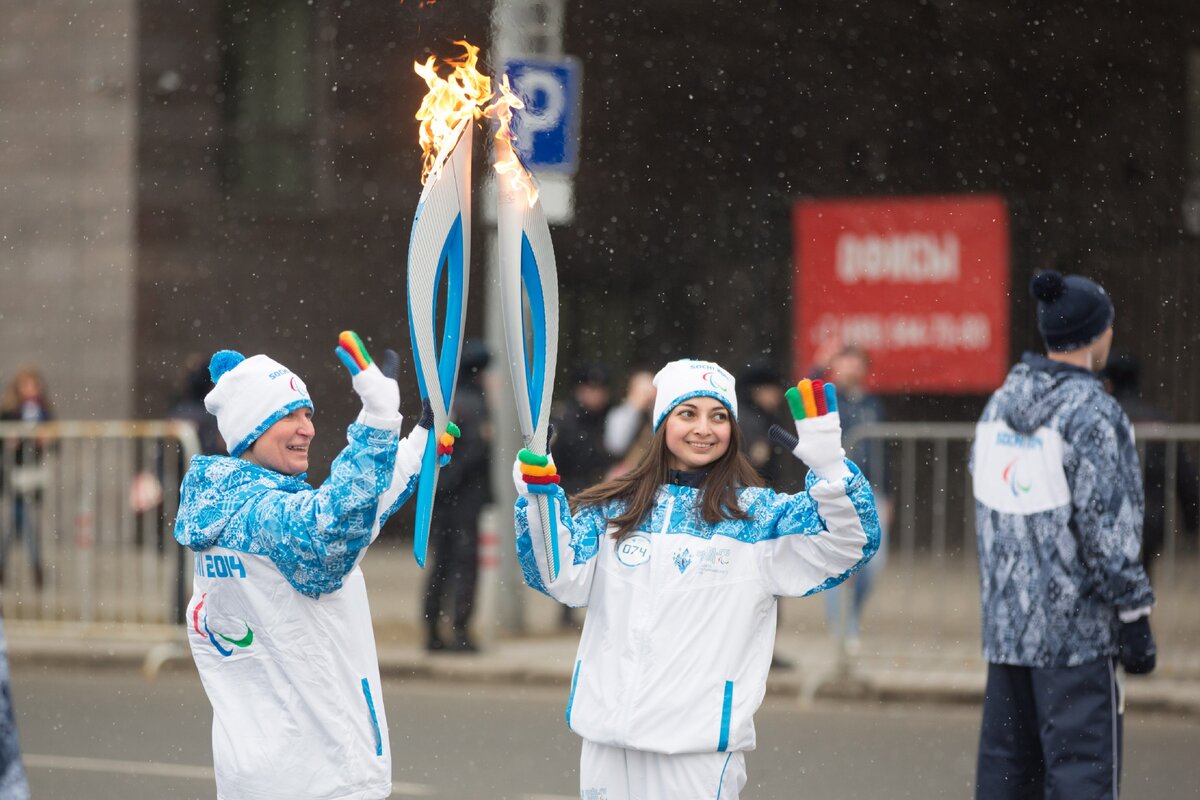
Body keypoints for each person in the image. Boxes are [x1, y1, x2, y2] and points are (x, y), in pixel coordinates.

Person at [512, 358, 880, 799]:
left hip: (694, 750)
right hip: (608, 741)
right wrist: (537, 496)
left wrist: (831, 469)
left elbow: (851, 544)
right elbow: (557, 575)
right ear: (663, 422)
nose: (704, 429)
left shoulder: (757, 516)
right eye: (688, 413)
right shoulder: (616, 510)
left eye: (718, 416)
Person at [175, 332, 448, 800]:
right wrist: (378, 421)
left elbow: (350, 520)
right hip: (315, 776)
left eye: (307, 414)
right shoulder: (262, 518)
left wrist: (410, 450)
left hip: (265, 772)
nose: (308, 428)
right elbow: (328, 536)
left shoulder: (234, 512)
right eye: (288, 416)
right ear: (250, 429)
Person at [971, 271, 1157, 799]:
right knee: (1080, 777)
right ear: (1097, 335)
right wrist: (1134, 615)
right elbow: (1108, 529)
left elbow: (991, 512)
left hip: (1008, 634)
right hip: (1077, 642)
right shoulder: (1094, 414)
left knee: (1008, 780)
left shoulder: (997, 407)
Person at [811, 344, 891, 653]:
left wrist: (889, 494)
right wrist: (818, 367)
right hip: (835, 492)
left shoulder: (874, 404)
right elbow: (802, 398)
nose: (850, 370)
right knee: (837, 562)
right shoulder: (829, 401)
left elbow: (884, 452)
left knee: (874, 563)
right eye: (844, 363)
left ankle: (851, 615)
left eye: (856, 364)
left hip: (872, 492)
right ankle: (842, 629)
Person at [1103, 349, 1199, 581]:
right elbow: (1186, 476)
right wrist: (1192, 520)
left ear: (1109, 382)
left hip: (1110, 520)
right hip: (1151, 522)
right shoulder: (1158, 420)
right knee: (1141, 582)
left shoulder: (1103, 418)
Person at [424, 340, 492, 653]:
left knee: (441, 563)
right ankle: (460, 630)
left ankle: (432, 630)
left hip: (444, 497)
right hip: (465, 499)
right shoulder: (475, 404)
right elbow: (477, 450)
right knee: (464, 564)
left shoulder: (451, 401)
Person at [0, 368, 53, 590]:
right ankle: (34, 565)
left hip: (32, 473)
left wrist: (44, 440)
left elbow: (53, 438)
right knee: (21, 520)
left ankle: (12, 564)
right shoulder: (12, 411)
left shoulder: (43, 412)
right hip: (15, 472)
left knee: (19, 521)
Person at [603, 367, 656, 478]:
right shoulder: (619, 414)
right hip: (624, 473)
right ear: (632, 391)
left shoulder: (656, 415)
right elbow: (615, 446)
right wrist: (634, 409)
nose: (647, 397)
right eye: (643, 392)